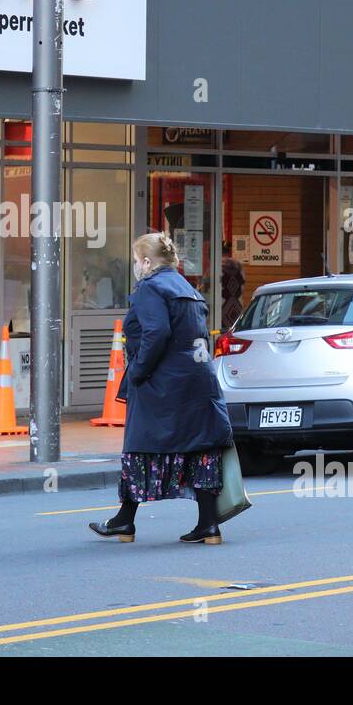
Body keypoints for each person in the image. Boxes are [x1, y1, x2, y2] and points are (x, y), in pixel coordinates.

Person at [90, 232, 235, 545]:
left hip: (163, 382)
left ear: (145, 262)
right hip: (198, 380)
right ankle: (209, 525)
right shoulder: (188, 288)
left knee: (140, 444)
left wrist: (138, 371)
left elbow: (156, 333)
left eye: (135, 260)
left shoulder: (150, 288)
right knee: (200, 447)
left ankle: (124, 521)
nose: (134, 266)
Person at [220, 240, 245, 330]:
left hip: (221, 308)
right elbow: (242, 288)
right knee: (234, 332)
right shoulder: (239, 265)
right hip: (237, 307)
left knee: (220, 333)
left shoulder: (216, 265)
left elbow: (207, 287)